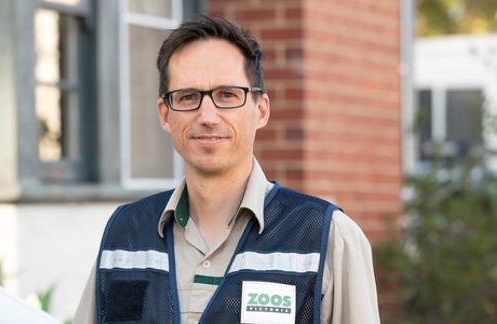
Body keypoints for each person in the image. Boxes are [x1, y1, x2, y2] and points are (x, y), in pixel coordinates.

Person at [74, 15, 380, 324]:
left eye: (227, 95)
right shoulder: (123, 236)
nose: (207, 116)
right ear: (165, 114)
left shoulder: (327, 238)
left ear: (260, 110)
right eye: (188, 97)